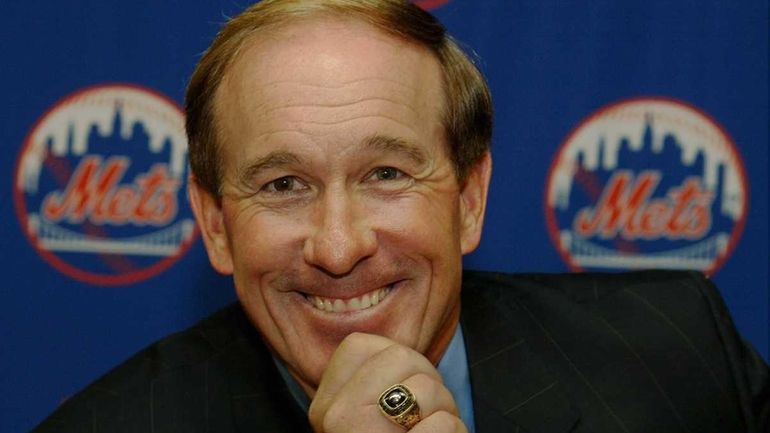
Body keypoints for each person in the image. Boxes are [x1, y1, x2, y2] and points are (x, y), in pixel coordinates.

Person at [33, 1, 768, 432]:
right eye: (284, 183)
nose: (340, 245)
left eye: (386, 173)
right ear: (217, 226)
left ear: (469, 199)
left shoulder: (678, 348)